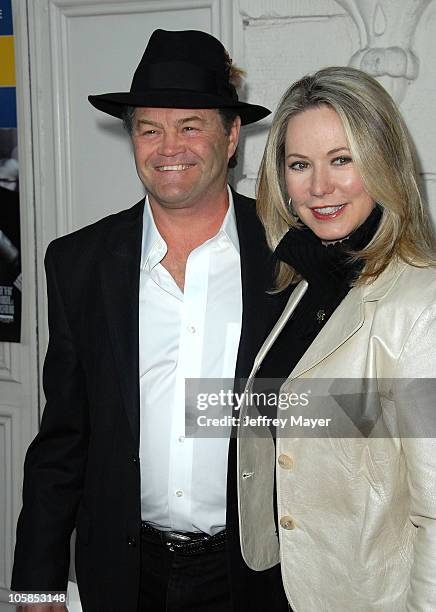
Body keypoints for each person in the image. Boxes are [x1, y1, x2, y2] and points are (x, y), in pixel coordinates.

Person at [11, 29, 290, 612]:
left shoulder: (293, 254)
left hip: (258, 576)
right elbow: (62, 438)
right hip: (123, 572)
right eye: (149, 128)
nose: (170, 147)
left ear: (232, 135)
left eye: (191, 125)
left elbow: (344, 413)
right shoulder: (78, 263)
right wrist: (36, 584)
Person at [237, 66, 436, 611]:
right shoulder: (304, 282)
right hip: (278, 585)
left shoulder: (421, 304)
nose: (319, 187)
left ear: (384, 164)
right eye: (300, 165)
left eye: (341, 160)